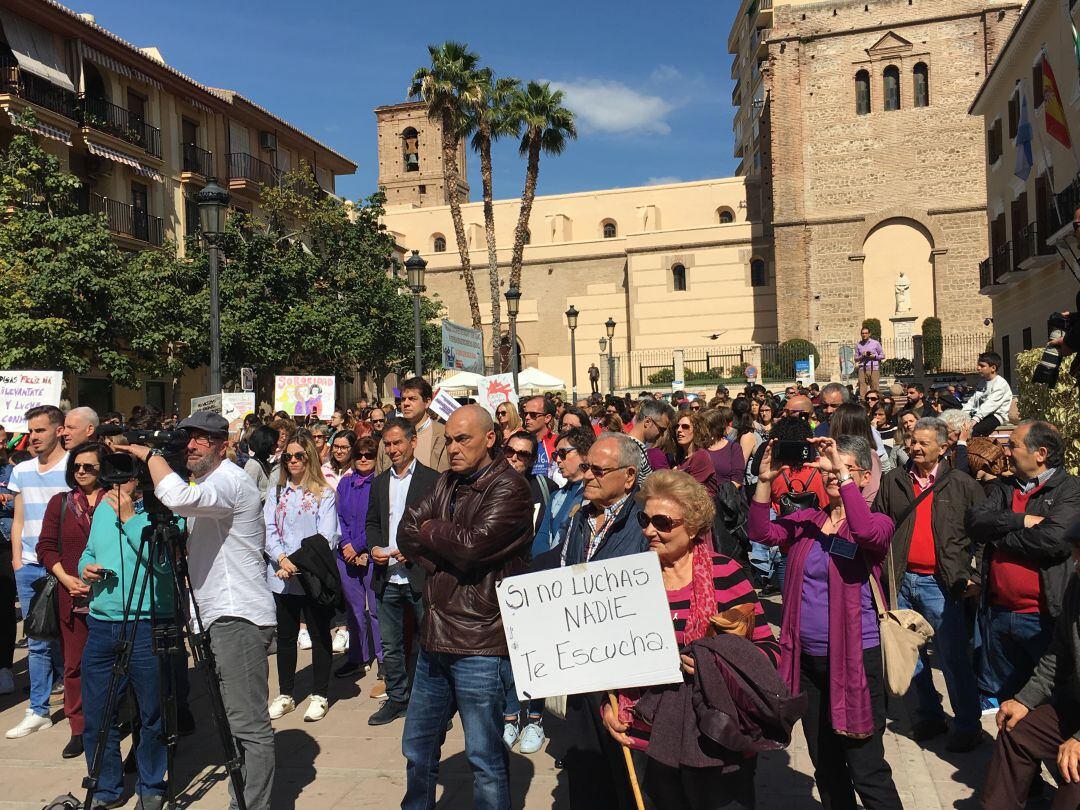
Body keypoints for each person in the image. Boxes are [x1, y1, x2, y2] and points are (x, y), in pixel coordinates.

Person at [119, 411, 277, 810]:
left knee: (247, 726)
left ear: (223, 443)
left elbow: (179, 498)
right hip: (215, 616)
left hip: (236, 616)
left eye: (201, 439)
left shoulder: (228, 480)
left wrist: (150, 454)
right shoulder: (208, 482)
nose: (190, 445)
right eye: (187, 438)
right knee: (231, 724)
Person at [601, 470, 780, 809]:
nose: (648, 530)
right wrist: (606, 710)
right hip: (645, 737)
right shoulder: (628, 579)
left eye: (662, 522)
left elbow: (769, 653)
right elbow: (606, 657)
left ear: (695, 526)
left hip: (716, 739)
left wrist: (716, 663)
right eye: (645, 518)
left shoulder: (725, 573)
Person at [751, 435, 904, 809]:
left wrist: (843, 475)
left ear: (865, 477)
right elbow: (761, 533)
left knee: (866, 767)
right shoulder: (808, 521)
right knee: (827, 766)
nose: (834, 475)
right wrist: (765, 481)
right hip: (808, 662)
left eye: (845, 469)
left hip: (855, 661)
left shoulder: (877, 523)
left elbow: (866, 532)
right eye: (831, 469)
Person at [397, 405, 533, 809]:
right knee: (417, 748)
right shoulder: (445, 483)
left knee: (484, 758)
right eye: (448, 440)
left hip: (479, 642)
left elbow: (472, 548)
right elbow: (406, 533)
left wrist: (431, 533)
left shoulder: (509, 488)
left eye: (463, 439)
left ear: (490, 439)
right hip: (434, 637)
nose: (453, 448)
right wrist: (443, 548)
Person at [874, 416, 986, 752]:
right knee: (912, 657)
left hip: (940, 584)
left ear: (943, 446)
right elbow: (880, 523)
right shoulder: (894, 480)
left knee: (953, 657)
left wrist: (975, 576)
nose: (916, 447)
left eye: (924, 442)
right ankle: (928, 715)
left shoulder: (963, 485)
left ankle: (968, 724)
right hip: (901, 580)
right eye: (912, 441)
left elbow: (983, 535)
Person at [967, 421, 1080, 715]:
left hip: (1044, 619)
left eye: (1013, 445)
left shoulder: (1070, 490)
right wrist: (1020, 521)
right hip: (999, 614)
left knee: (1054, 706)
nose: (1005, 452)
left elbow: (1054, 541)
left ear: (1040, 453)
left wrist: (998, 534)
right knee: (1008, 703)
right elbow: (975, 521)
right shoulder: (1003, 487)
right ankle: (1012, 760)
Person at [79, 479, 174, 810]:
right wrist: (85, 568)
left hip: (147, 622)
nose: (115, 483)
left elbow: (162, 563)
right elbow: (90, 550)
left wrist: (131, 516)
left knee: (152, 712)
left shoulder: (165, 510)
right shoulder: (104, 506)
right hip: (102, 625)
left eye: (126, 473)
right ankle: (106, 787)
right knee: (97, 714)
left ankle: (152, 785)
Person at [981, 562, 1080, 808]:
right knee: (1015, 727)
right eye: (1077, 550)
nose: (1076, 561)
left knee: (1073, 768)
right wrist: (1025, 699)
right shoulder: (1076, 585)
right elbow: (1058, 654)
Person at [364, 419, 439, 724]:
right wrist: (372, 550)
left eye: (397, 443)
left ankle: (430, 704)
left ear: (412, 443)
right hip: (386, 576)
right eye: (388, 444)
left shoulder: (432, 480)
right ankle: (397, 698)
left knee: (429, 643)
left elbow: (438, 527)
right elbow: (372, 523)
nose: (392, 449)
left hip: (418, 574)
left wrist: (415, 551)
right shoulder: (380, 482)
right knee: (391, 646)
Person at [35, 442, 104, 759]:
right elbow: (46, 548)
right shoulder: (60, 503)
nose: (81, 472)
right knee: (74, 666)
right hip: (70, 597)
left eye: (89, 466)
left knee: (112, 666)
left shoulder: (116, 501)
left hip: (110, 598)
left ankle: (110, 722)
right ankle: (79, 728)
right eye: (77, 466)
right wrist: (67, 579)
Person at [264, 434, 340, 723]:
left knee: (320, 635)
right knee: (285, 637)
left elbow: (326, 537)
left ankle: (320, 693)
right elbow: (268, 528)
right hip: (281, 576)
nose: (293, 461)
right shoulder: (277, 491)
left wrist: (294, 562)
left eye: (299, 456)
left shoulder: (324, 493)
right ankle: (286, 693)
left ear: (309, 457)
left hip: (312, 575)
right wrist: (281, 559)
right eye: (288, 456)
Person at [6, 404, 67, 740]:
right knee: (39, 641)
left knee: (74, 639)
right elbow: (19, 518)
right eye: (31, 430)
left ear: (59, 430)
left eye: (40, 430)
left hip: (66, 567)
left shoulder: (75, 466)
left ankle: (79, 705)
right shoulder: (22, 471)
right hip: (29, 566)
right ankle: (38, 709)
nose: (34, 437)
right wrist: (17, 560)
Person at [334, 435, 382, 688]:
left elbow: (377, 520)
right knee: (353, 611)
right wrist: (346, 545)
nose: (363, 459)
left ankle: (384, 661)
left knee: (376, 611)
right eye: (359, 455)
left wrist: (359, 545)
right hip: (347, 554)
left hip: (371, 552)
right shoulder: (345, 483)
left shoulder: (380, 483)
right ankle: (358, 656)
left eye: (369, 455)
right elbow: (338, 517)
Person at [535, 428, 595, 556]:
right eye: (555, 455)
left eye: (563, 453)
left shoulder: (595, 494)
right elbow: (542, 536)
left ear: (584, 454)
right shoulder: (555, 495)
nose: (557, 460)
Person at [376, 378, 447, 474]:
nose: (406, 403)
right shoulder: (389, 436)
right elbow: (379, 477)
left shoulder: (445, 435)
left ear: (427, 402)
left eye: (412, 399)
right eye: (403, 399)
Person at [503, 431, 556, 534]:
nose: (513, 458)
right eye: (509, 451)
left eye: (522, 455)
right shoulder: (487, 485)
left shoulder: (546, 487)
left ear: (533, 460)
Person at [671, 411, 719, 497]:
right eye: (677, 426)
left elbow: (689, 491)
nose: (679, 430)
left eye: (685, 427)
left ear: (696, 430)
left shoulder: (701, 456)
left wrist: (674, 476)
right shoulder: (679, 455)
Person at [968, 352, 1014, 438]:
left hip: (995, 416)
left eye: (982, 366)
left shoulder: (1000, 383)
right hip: (981, 414)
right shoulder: (982, 382)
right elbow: (973, 400)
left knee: (973, 431)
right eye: (978, 365)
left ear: (993, 368)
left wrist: (975, 419)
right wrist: (963, 414)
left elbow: (990, 404)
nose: (978, 368)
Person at [703, 406, 746, 487]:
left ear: (713, 428)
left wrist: (721, 495)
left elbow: (737, 479)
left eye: (703, 426)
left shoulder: (733, 448)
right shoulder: (700, 447)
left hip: (725, 497)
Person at [522, 395, 559, 478]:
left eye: (533, 414)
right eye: (525, 414)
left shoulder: (558, 442)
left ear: (547, 418)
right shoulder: (520, 443)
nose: (527, 418)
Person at [243, 424, 279, 503]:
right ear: (266, 444)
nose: (277, 446)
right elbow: (248, 493)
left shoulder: (265, 462)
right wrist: (273, 494)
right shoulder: (253, 465)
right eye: (274, 444)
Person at [856, 327, 885, 398]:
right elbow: (856, 359)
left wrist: (874, 356)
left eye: (866, 333)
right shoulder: (858, 345)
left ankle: (875, 404)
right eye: (862, 333)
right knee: (862, 389)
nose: (864, 335)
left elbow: (883, 356)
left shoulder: (875, 343)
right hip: (862, 368)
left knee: (875, 389)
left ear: (869, 334)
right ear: (861, 334)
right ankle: (864, 405)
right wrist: (862, 356)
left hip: (873, 368)